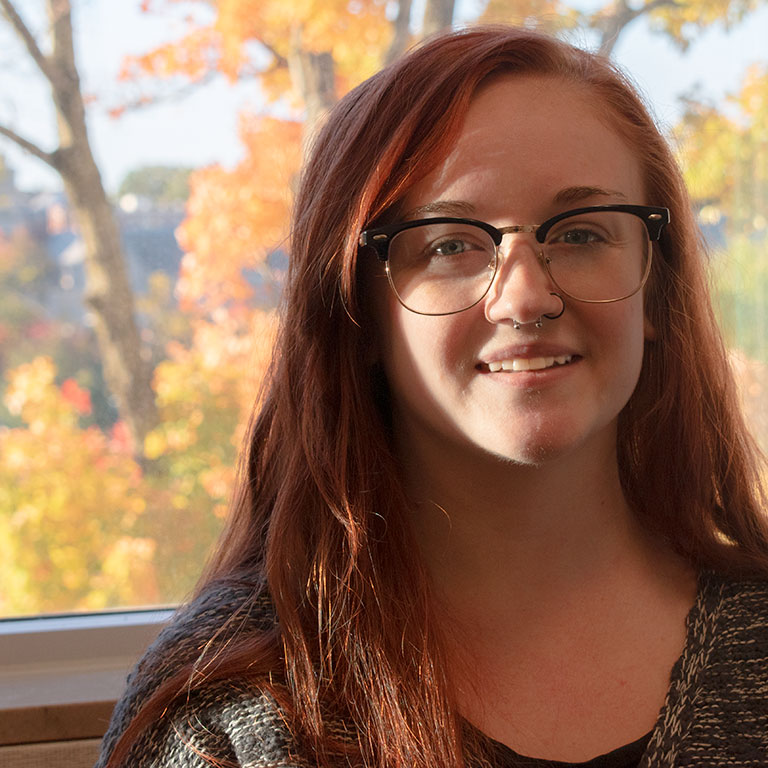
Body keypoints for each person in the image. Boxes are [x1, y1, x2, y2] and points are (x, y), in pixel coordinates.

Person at [96, 25, 768, 768]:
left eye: (581, 233)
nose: (525, 297)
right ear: (357, 316)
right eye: (451, 244)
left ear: (658, 289)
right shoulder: (227, 715)